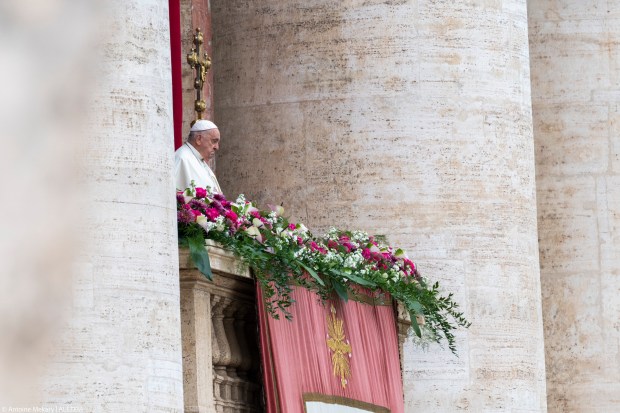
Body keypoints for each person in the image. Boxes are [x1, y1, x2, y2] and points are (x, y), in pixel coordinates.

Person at [174, 119, 222, 194]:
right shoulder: (182, 158)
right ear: (198, 139)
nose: (217, 147)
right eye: (214, 141)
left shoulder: (200, 161)